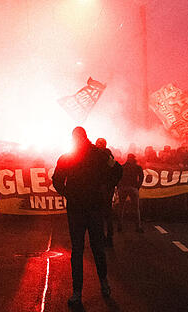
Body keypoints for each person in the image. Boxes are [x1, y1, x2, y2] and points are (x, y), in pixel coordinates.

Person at [52, 126, 117, 306]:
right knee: (96, 249)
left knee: (78, 251)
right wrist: (106, 189)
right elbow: (117, 170)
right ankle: (103, 285)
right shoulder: (99, 154)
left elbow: (56, 179)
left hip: (77, 209)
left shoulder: (68, 157)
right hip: (94, 207)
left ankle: (77, 292)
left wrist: (67, 193)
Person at [93, 137, 121, 246]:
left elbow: (117, 169)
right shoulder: (102, 155)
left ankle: (106, 237)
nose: (97, 145)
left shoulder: (105, 155)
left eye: (99, 143)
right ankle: (106, 237)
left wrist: (111, 183)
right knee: (104, 213)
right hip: (102, 187)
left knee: (102, 213)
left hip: (103, 188)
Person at [116, 153, 144, 233]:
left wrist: (119, 186)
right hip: (133, 188)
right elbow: (141, 177)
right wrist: (138, 186)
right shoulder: (137, 167)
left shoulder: (122, 167)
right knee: (136, 208)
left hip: (123, 188)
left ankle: (119, 226)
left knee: (121, 208)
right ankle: (138, 227)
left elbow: (118, 177)